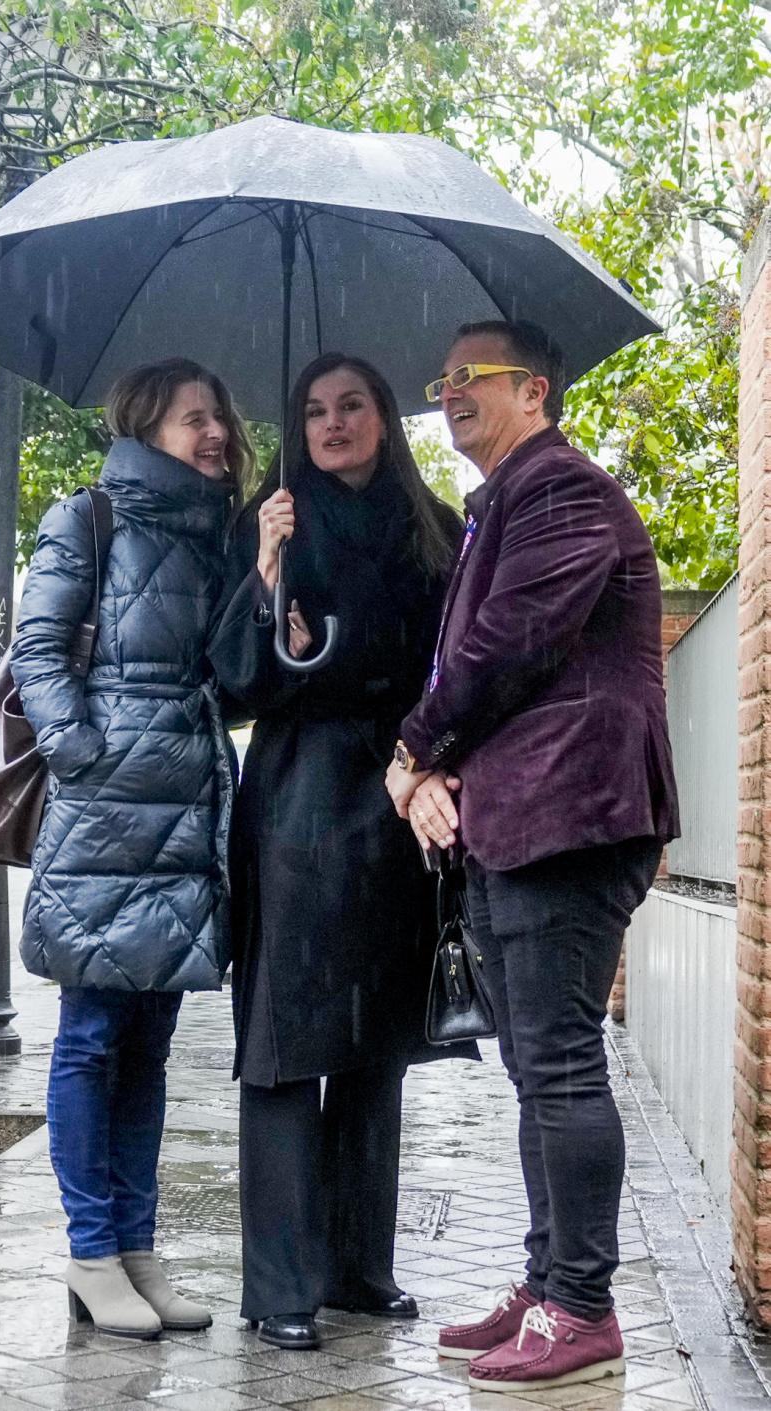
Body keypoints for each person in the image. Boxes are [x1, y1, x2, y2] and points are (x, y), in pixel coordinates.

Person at [385, 320, 680, 1394]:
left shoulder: (558, 492)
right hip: (525, 816)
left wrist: (412, 751)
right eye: (443, 375)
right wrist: (427, 767)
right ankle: (548, 1281)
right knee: (532, 1067)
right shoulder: (503, 501)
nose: (451, 390)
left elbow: (499, 649)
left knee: (557, 1062)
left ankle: (580, 1309)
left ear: (536, 391)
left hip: (574, 814)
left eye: (475, 376)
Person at [210, 351, 474, 1353]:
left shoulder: (435, 531)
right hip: (293, 803)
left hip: (399, 802)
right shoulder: (272, 520)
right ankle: (281, 1282)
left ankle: (359, 1265)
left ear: (382, 418)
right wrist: (265, 571)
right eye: (313, 409)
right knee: (282, 1046)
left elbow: (461, 669)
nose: (330, 423)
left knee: (376, 1046)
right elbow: (235, 684)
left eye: (351, 404)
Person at [10, 358, 254, 1340]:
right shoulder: (88, 518)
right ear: (144, 424)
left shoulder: (221, 539)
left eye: (222, 420)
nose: (216, 436)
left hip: (186, 815)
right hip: (109, 816)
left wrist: (266, 571)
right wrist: (84, 752)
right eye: (198, 419)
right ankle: (90, 1250)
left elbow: (234, 680)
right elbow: (37, 650)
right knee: (92, 1037)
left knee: (151, 1046)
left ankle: (138, 1248)